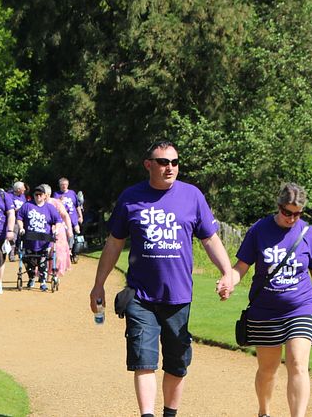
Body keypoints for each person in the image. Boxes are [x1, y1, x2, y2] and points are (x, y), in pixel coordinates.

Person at [89, 140, 235, 417]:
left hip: (178, 297)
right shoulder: (131, 198)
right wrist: (98, 285)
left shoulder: (192, 196)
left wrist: (227, 272)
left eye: (175, 162)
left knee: (177, 364)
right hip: (141, 297)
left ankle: (170, 413)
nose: (170, 168)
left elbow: (210, 239)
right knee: (144, 360)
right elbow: (113, 243)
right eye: (163, 162)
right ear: (149, 165)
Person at [218, 183, 312, 417]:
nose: (292, 218)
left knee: (297, 365)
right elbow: (241, 266)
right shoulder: (259, 230)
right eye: (287, 212)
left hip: (301, 307)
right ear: (278, 207)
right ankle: (263, 411)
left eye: (297, 214)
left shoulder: (308, 234)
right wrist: (229, 282)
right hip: (265, 311)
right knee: (267, 370)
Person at [17, 185, 63, 291]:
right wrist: (21, 227)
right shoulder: (27, 206)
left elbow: (58, 220)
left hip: (44, 240)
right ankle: (31, 278)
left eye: (40, 195)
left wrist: (56, 229)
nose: (38, 197)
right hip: (29, 239)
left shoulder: (50, 208)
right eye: (36, 194)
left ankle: (43, 281)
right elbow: (19, 218)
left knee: (43, 261)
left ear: (44, 196)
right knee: (28, 260)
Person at [41, 183, 73, 276]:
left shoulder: (56, 202)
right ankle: (43, 271)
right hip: (44, 229)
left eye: (42, 193)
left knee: (58, 252)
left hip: (58, 230)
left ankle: (56, 272)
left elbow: (65, 216)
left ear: (47, 194)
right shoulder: (38, 204)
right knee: (43, 251)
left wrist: (69, 230)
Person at [54, 177, 84, 262]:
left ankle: (75, 253)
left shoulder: (72, 193)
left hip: (73, 218)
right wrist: (59, 200)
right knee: (65, 236)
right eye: (62, 185)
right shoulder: (56, 194)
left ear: (68, 185)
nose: (64, 186)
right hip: (62, 220)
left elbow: (77, 206)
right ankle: (67, 253)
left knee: (76, 235)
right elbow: (54, 206)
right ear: (60, 186)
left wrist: (80, 216)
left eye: (65, 185)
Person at [9, 181, 27, 260]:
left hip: (22, 220)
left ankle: (20, 253)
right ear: (18, 189)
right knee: (14, 238)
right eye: (23, 188)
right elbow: (10, 209)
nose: (25, 189)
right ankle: (11, 255)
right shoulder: (10, 196)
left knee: (22, 237)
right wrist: (19, 209)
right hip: (14, 220)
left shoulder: (23, 196)